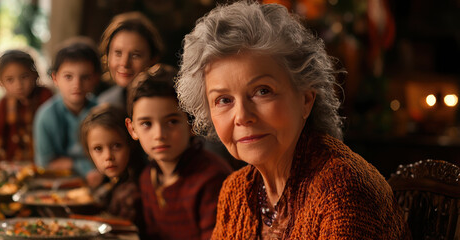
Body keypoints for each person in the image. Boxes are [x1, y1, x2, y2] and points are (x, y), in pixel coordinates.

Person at [175, 2, 410, 239]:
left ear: (306, 99)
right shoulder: (236, 191)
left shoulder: (341, 191)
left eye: (262, 91)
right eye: (224, 100)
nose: (243, 116)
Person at [125, 65, 233, 240]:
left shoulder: (211, 179)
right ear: (132, 129)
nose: (159, 135)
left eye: (172, 122)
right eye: (146, 124)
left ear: (191, 123)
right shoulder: (147, 178)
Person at [33, 41, 102, 185]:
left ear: (95, 78)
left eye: (85, 77)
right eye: (68, 77)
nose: (77, 84)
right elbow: (45, 164)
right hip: (56, 184)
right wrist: (83, 166)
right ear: (55, 78)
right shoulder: (45, 116)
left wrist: (66, 162)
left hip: (98, 180)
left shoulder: (101, 112)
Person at [79, 104, 145, 228]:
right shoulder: (110, 182)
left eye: (116, 146)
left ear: (130, 144)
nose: (108, 156)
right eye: (98, 149)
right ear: (88, 152)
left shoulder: (130, 192)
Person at [0, 49, 53, 162]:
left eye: (24, 77)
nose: (18, 85)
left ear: (35, 75)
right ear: (0, 82)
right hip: (12, 163)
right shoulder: (4, 103)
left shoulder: (45, 96)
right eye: (10, 80)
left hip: (45, 161)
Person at [97, 11, 164, 110]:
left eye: (135, 55)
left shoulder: (165, 103)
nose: (124, 63)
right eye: (118, 53)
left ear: (153, 59)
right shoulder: (104, 103)